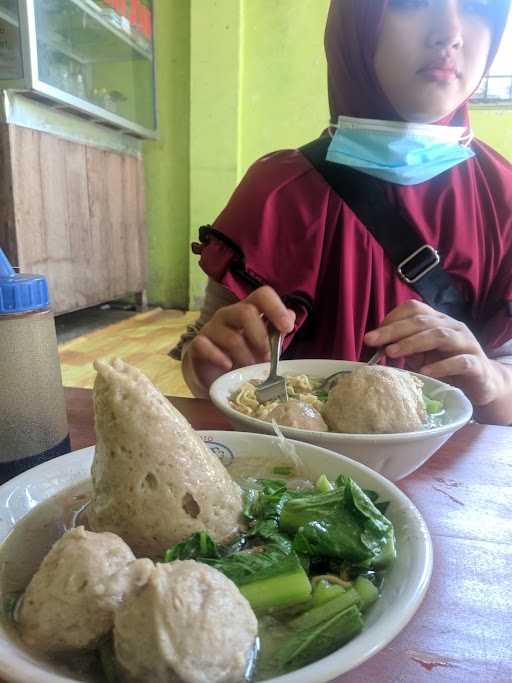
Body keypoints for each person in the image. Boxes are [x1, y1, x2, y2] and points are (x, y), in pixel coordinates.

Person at [177, 0, 512, 426]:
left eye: (480, 6)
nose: (450, 33)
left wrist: (493, 380)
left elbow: (506, 383)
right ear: (357, 23)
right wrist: (208, 369)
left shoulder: (502, 198)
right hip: (293, 478)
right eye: (411, 2)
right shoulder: (275, 194)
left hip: (448, 483)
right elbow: (205, 351)